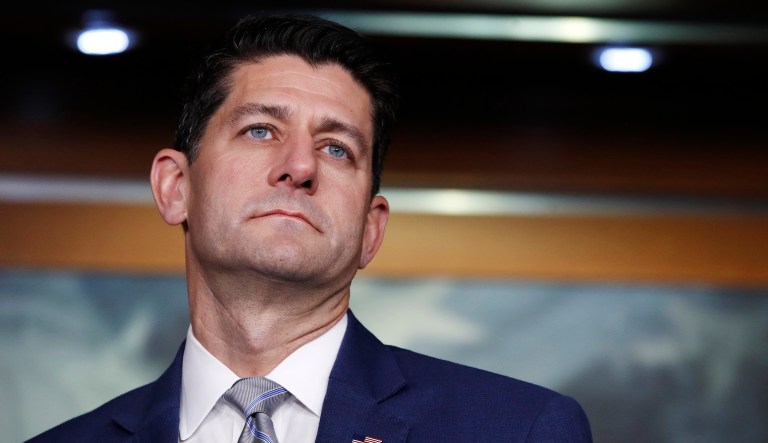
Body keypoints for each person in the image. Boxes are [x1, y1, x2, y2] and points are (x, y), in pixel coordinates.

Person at [27, 14, 592, 443]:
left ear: (371, 230)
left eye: (336, 148)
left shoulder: (522, 429)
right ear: (176, 187)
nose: (299, 167)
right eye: (260, 131)